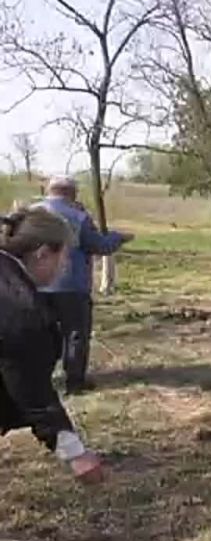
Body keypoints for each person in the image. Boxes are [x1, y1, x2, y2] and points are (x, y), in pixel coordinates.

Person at [1, 208, 105, 484]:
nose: (66, 266)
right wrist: (75, 453)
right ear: (43, 253)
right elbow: (30, 387)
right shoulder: (19, 308)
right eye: (64, 257)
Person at [34, 176, 133, 395]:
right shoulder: (78, 217)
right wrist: (118, 237)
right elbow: (99, 245)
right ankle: (74, 382)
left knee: (38, 334)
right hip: (71, 285)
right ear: (71, 193)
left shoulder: (30, 214)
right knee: (75, 334)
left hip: (34, 286)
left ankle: (39, 381)